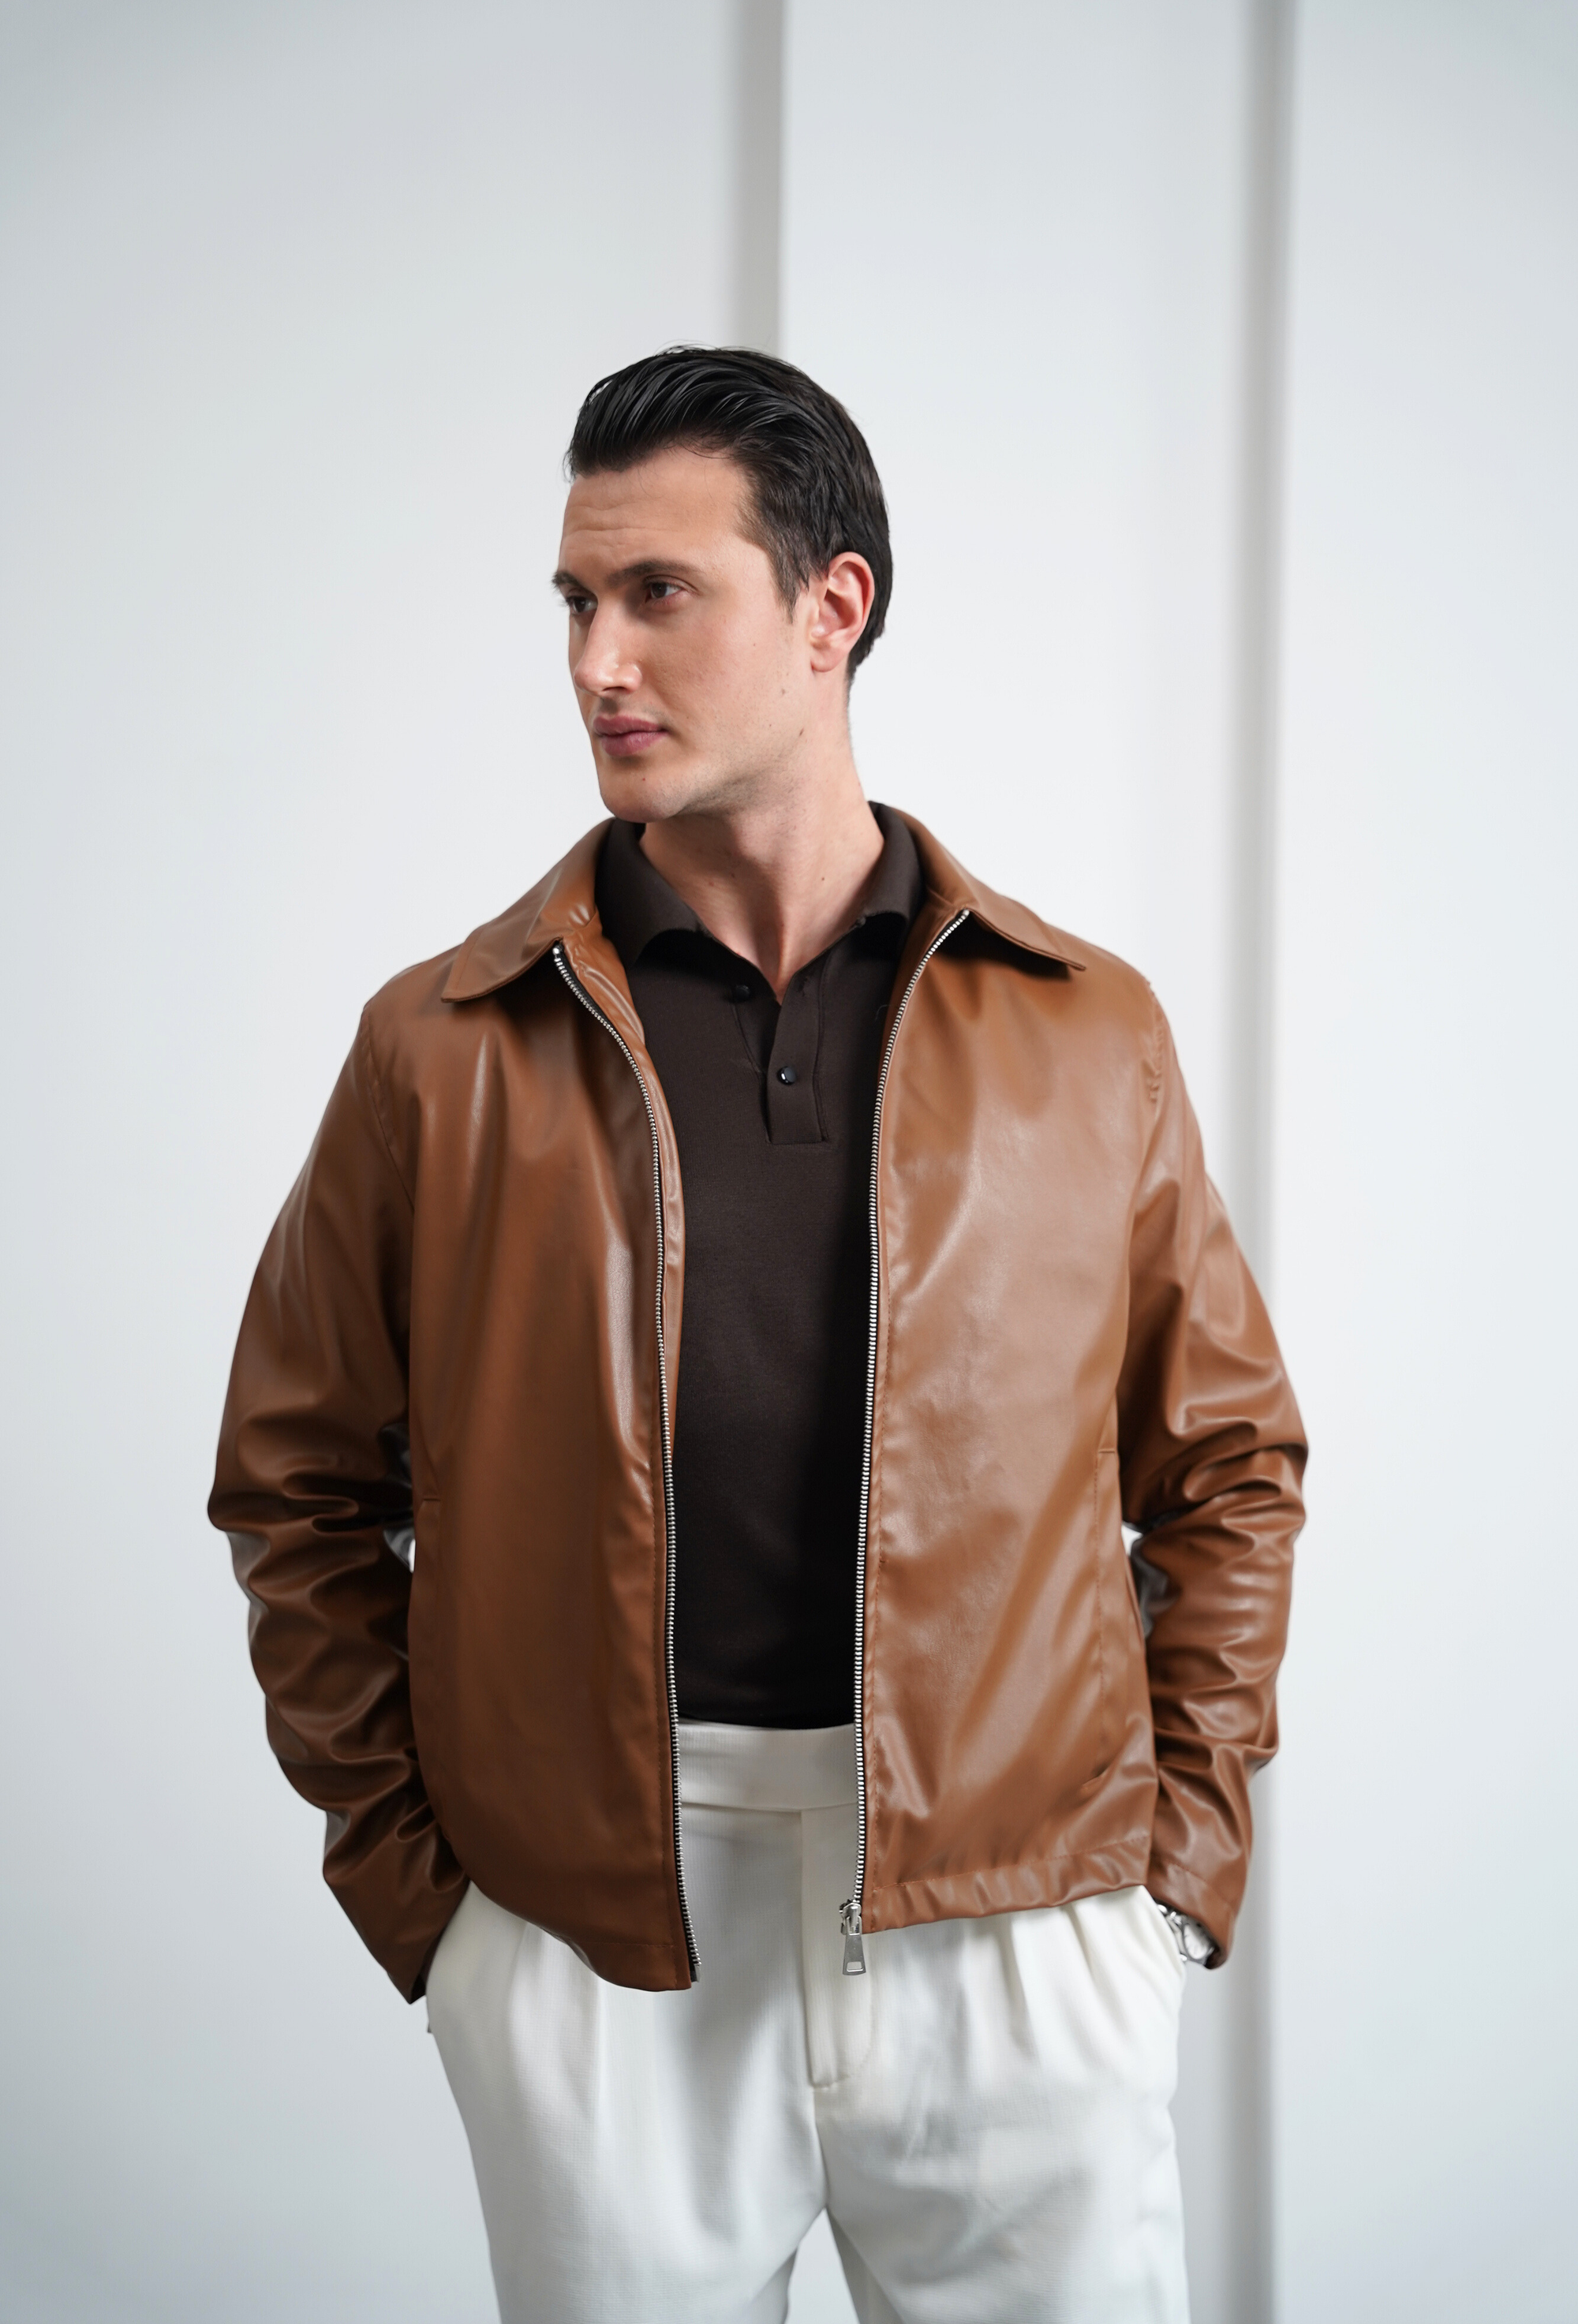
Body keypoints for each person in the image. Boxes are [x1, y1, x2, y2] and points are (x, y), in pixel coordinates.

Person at [209, 346, 1306, 2323]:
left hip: (1023, 1907)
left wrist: (1172, 1882)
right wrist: (436, 1910)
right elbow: (294, 1486)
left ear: (830, 609)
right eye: (574, 600)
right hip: (598, 1924)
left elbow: (1227, 1464)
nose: (595, 661)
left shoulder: (1084, 1032)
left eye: (658, 592)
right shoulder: (441, 1050)